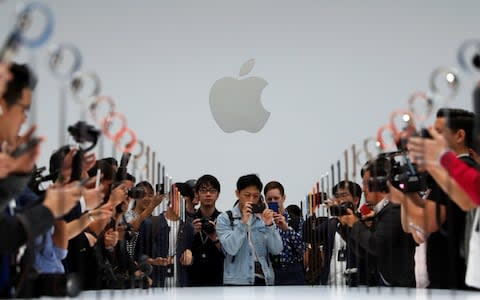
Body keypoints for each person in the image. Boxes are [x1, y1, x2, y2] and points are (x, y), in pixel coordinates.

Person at [339, 159, 416, 287]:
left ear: (380, 183)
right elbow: (364, 252)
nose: (363, 189)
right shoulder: (381, 212)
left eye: (365, 183)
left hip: (399, 286)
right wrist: (346, 227)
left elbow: (375, 245)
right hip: (384, 284)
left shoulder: (395, 209)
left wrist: (356, 224)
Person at [216, 174, 283, 286]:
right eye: (247, 195)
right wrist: (243, 223)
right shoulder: (225, 218)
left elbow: (277, 249)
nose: (251, 200)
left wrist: (270, 225)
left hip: (265, 279)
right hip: (237, 281)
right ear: (237, 193)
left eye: (256, 196)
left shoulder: (262, 218)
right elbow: (231, 249)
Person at [263, 180, 305, 285]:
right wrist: (267, 225)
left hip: (294, 270)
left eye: (276, 198)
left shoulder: (297, 220)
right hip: (271, 271)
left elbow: (302, 248)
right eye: (269, 199)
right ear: (265, 201)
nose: (273, 201)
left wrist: (287, 229)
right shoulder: (261, 222)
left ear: (284, 198)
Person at [188, 175, 224, 286]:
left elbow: (229, 252)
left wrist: (215, 237)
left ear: (218, 194)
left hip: (218, 277)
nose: (208, 194)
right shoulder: (188, 219)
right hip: (192, 277)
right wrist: (191, 233)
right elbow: (180, 249)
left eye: (212, 191)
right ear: (197, 194)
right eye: (203, 190)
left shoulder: (224, 219)